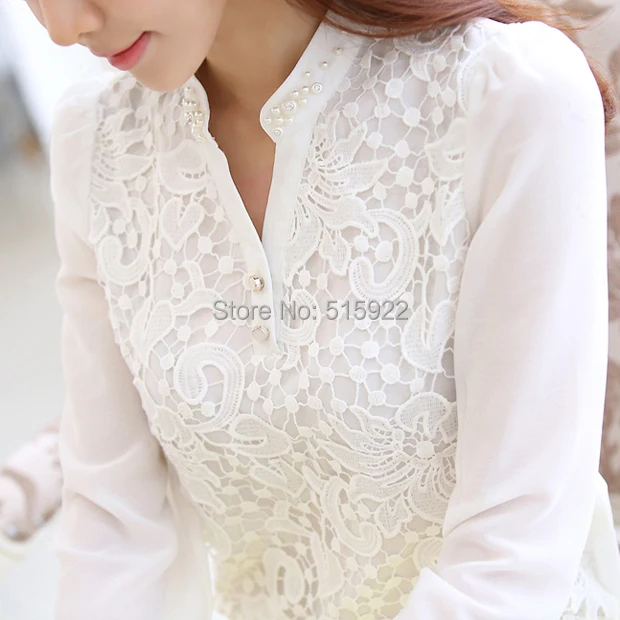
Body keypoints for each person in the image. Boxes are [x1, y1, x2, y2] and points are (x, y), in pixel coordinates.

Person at [22, 0, 620, 617]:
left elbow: (512, 558)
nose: (62, 28)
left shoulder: (506, 93)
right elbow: (112, 528)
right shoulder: (97, 139)